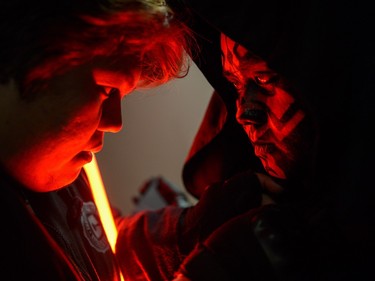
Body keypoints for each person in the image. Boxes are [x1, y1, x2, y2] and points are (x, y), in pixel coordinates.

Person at [115, 0, 374, 280]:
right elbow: (113, 246)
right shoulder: (255, 206)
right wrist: (190, 230)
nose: (244, 113)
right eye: (235, 84)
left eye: (263, 79)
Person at [0, 0, 194, 280]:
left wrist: (183, 234)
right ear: (32, 52)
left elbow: (97, 247)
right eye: (106, 89)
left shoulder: (55, 170)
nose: (115, 123)